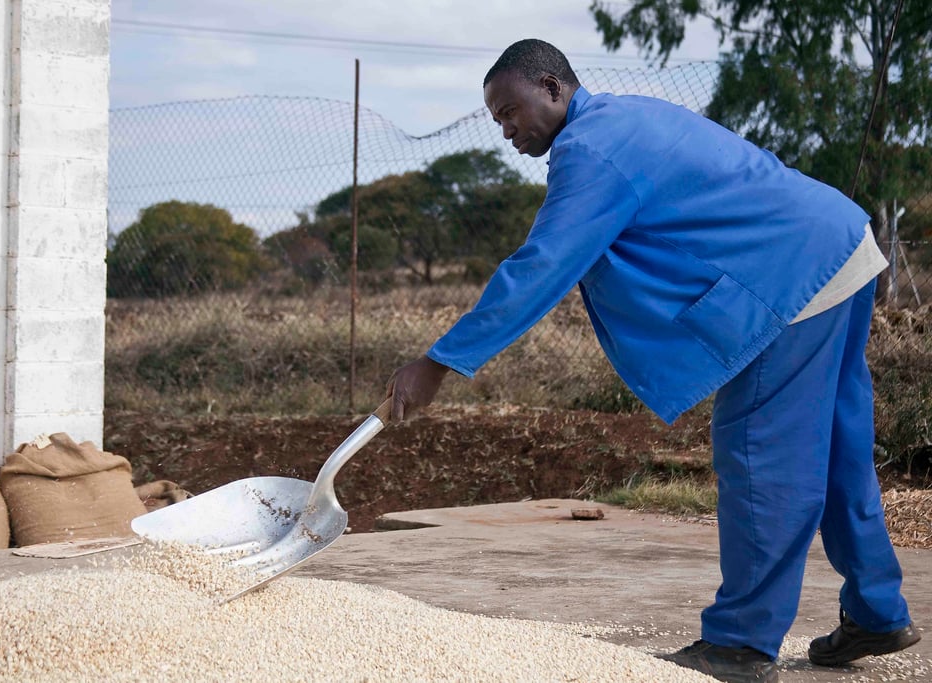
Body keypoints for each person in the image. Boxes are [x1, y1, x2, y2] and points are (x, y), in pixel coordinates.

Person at [384, 38, 920, 683]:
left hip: (789, 280)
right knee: (836, 449)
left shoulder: (591, 151)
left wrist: (440, 361)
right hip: (837, 250)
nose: (507, 130)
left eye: (510, 111)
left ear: (553, 87)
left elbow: (543, 266)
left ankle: (741, 644)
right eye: (497, 120)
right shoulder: (623, 120)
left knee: (761, 456)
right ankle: (877, 612)